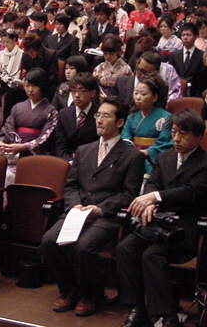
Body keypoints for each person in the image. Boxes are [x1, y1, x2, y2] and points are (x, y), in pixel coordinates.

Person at [42, 97, 145, 317]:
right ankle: (68, 290)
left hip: (106, 215)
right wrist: (74, 205)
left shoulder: (132, 156)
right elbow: (71, 185)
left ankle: (91, 295)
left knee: (84, 246)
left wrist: (100, 209)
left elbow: (129, 194)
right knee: (49, 241)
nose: (99, 120)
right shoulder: (84, 150)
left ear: (120, 122)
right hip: (78, 210)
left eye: (106, 116)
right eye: (98, 115)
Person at [117, 110, 207, 327]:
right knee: (125, 248)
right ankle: (136, 308)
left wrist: (155, 198)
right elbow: (152, 183)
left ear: (198, 137)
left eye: (183, 134)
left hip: (185, 227)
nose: (176, 138)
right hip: (157, 223)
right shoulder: (164, 157)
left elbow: (192, 193)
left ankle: (165, 316)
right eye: (173, 132)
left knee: (152, 255)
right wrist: (150, 203)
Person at [0, 68, 59, 186]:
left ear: (43, 86)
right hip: (14, 152)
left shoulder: (51, 111)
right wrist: (2, 142)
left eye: (34, 86)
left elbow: (45, 137)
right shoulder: (17, 107)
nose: (30, 90)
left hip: (36, 155)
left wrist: (24, 146)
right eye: (27, 86)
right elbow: (7, 128)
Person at [121, 75, 172, 174]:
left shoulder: (166, 117)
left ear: (154, 97)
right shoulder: (131, 117)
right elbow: (125, 137)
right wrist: (132, 152)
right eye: (136, 93)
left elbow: (165, 142)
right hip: (133, 156)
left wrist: (147, 152)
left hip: (153, 159)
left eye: (143, 94)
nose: (138, 97)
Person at [54, 74, 100, 161]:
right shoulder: (64, 113)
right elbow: (60, 144)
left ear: (93, 93)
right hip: (67, 160)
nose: (77, 95)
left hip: (90, 161)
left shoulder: (99, 114)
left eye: (82, 91)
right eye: (73, 91)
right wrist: (67, 161)